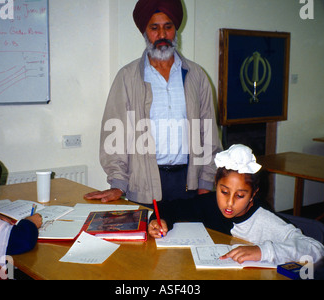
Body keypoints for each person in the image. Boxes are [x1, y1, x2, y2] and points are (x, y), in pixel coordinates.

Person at [84, 0, 222, 206]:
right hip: (144, 185)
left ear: (176, 29)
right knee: (149, 237)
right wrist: (118, 183)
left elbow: (208, 133)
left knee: (191, 237)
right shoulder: (128, 77)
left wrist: (206, 182)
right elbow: (115, 134)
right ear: (145, 32)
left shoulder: (196, 76)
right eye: (154, 28)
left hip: (189, 184)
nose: (162, 35)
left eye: (168, 27)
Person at [148, 144, 324, 265]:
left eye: (240, 195)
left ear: (253, 194)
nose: (229, 202)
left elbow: (317, 250)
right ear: (216, 185)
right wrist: (159, 220)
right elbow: (170, 207)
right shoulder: (210, 203)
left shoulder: (263, 219)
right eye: (224, 191)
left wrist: (262, 251)